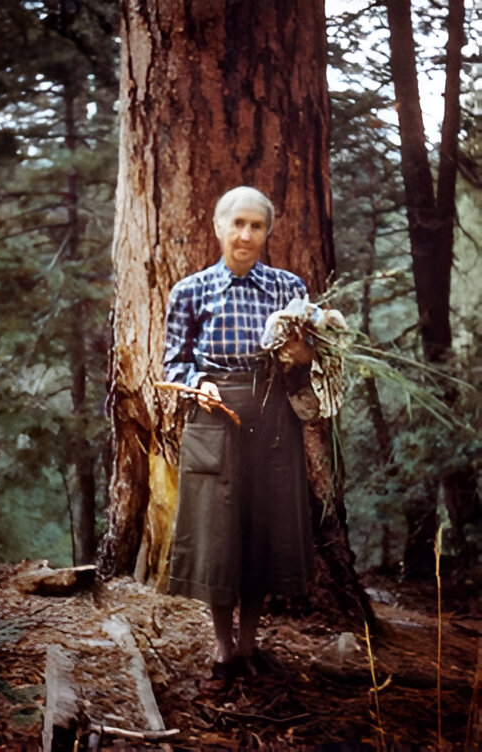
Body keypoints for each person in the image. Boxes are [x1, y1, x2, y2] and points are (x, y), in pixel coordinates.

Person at [163, 186, 318, 691]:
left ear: (267, 232)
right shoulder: (190, 291)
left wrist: (302, 357)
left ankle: (250, 644)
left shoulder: (287, 289)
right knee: (218, 536)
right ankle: (222, 647)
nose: (246, 235)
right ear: (218, 227)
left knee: (262, 533)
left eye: (256, 226)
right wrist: (197, 384)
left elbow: (309, 362)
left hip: (273, 421)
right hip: (214, 421)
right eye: (238, 224)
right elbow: (173, 363)